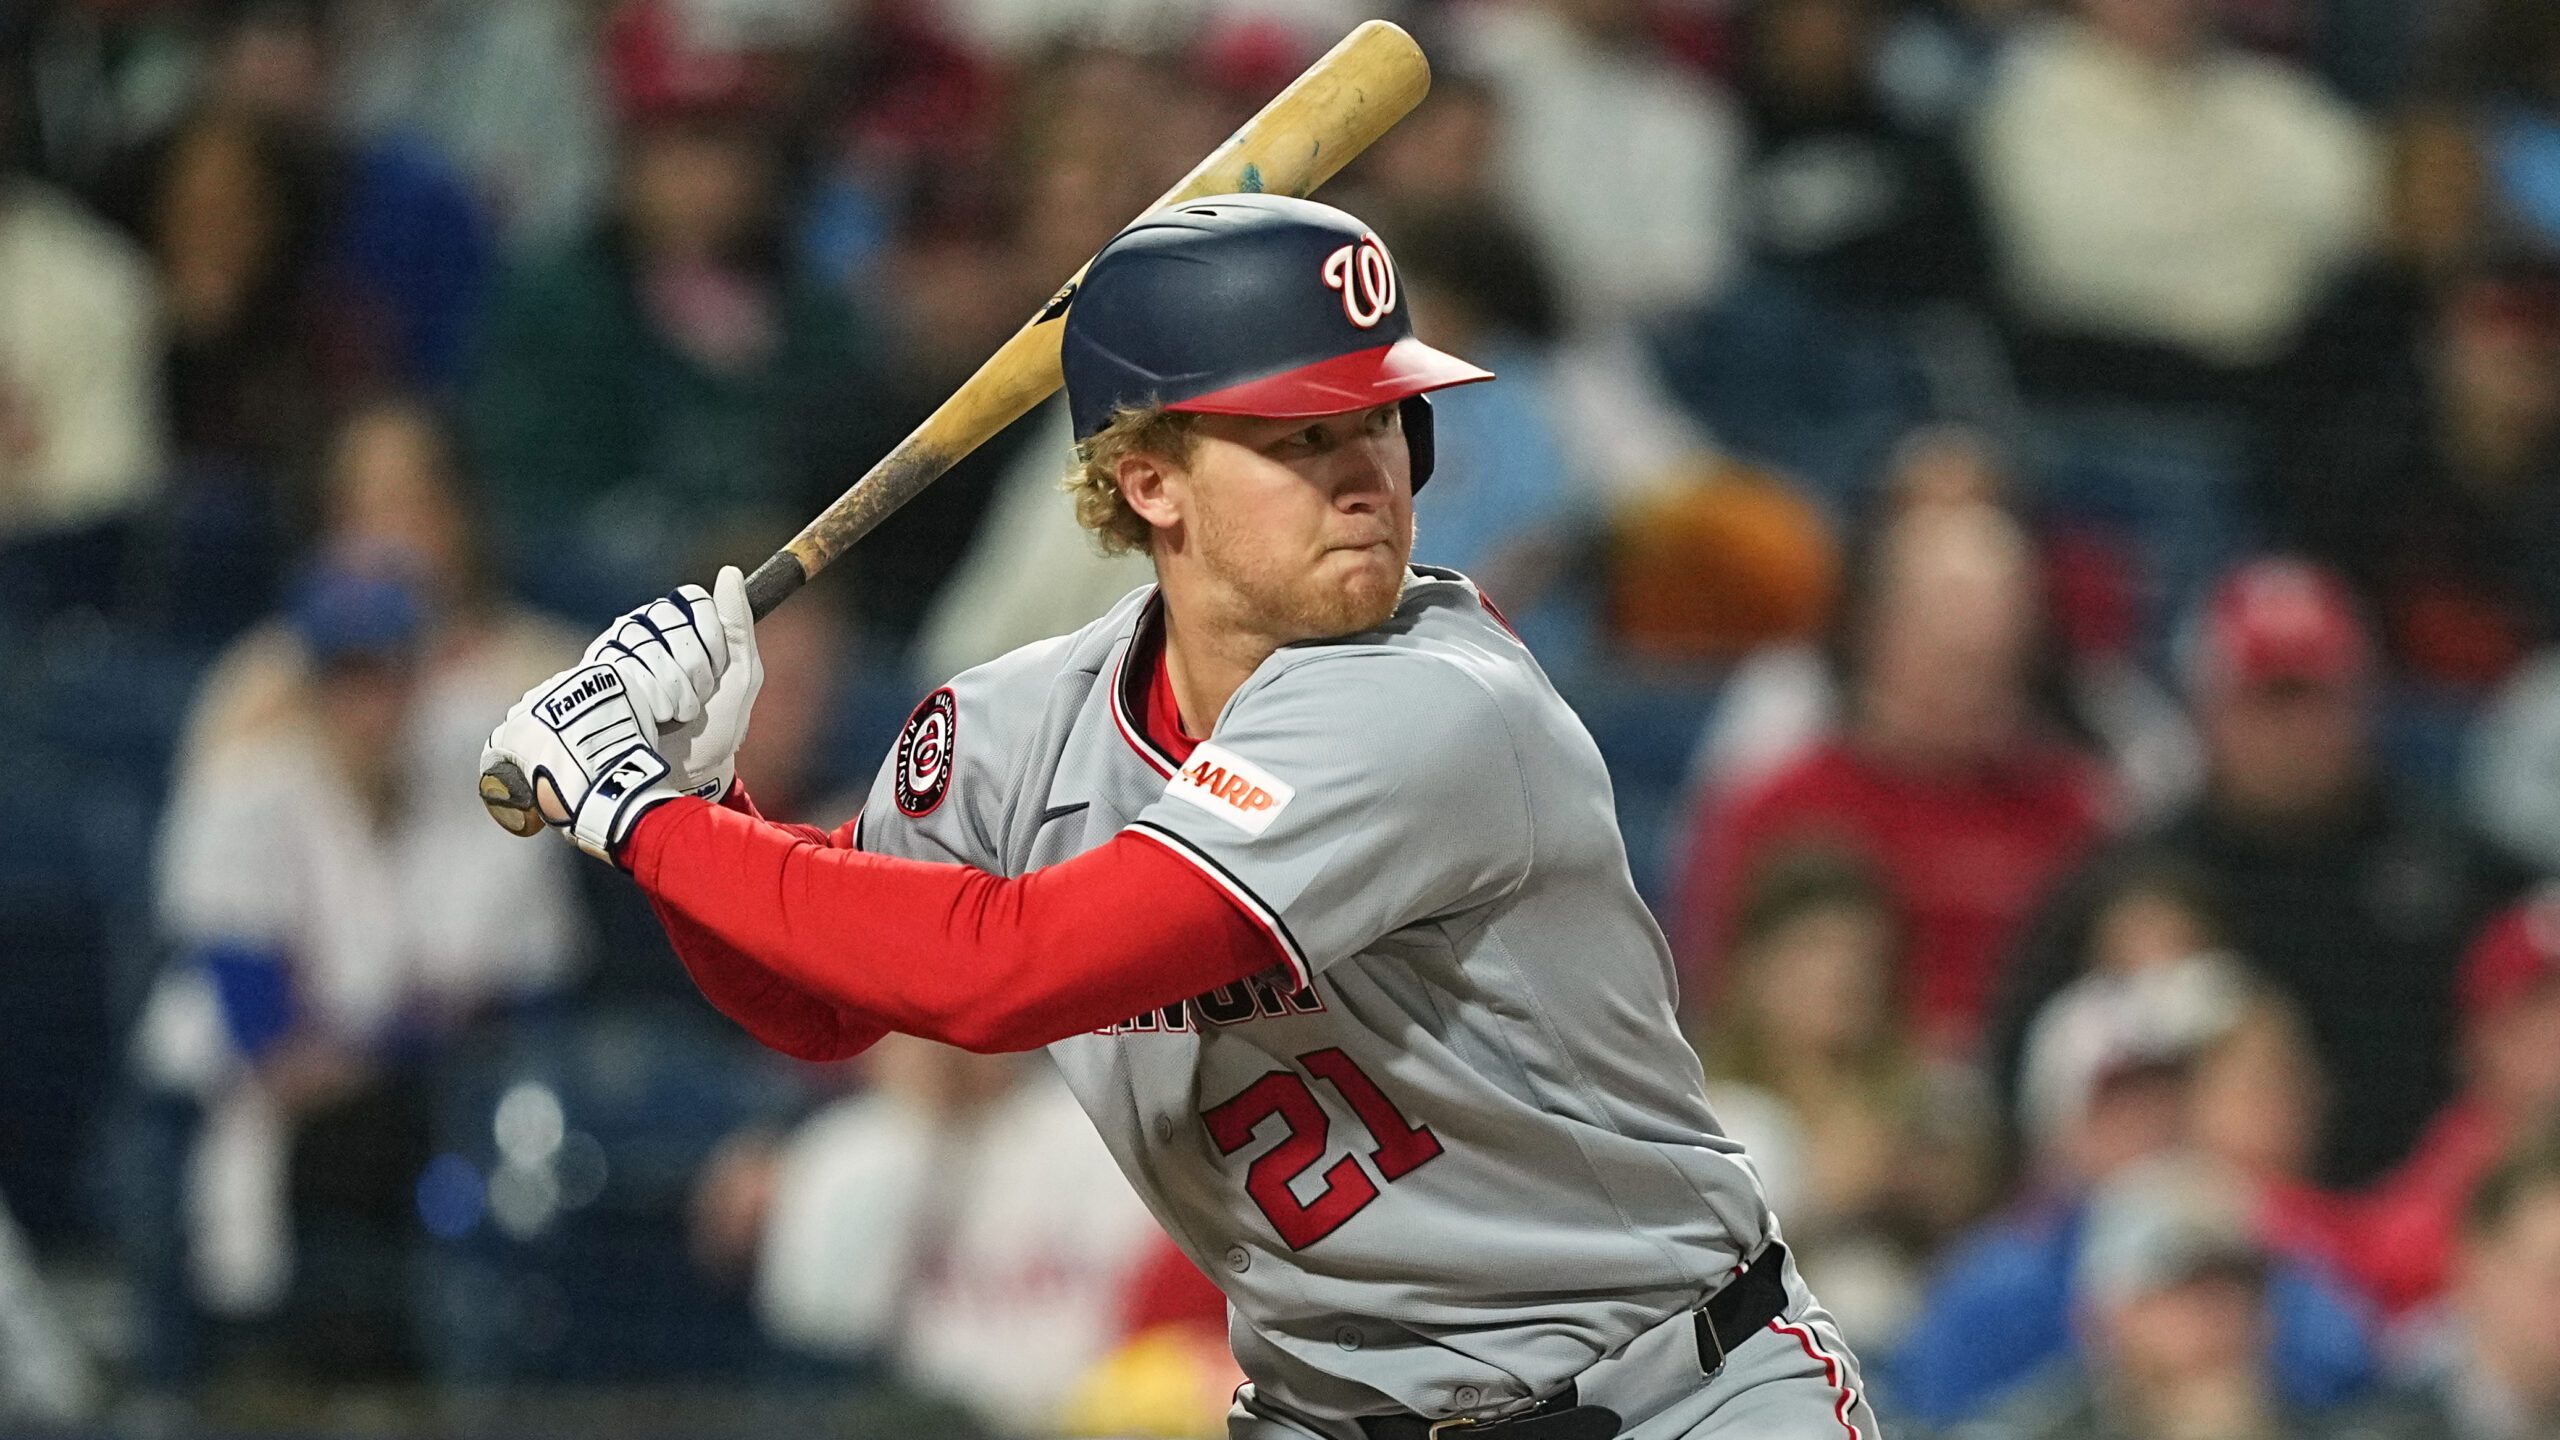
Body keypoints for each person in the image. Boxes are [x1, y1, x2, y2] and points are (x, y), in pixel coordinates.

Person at [485, 194, 1879, 1439]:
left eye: (1383, 417)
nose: (1366, 474)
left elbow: (1006, 968)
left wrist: (640, 815)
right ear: (1149, 479)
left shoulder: (1437, 705)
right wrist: (708, 809)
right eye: (1297, 435)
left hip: (1671, 1395)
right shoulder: (1025, 727)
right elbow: (820, 1006)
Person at [1990, 559, 2527, 1186]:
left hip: (2428, 1218)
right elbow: (2022, 1070)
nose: (2293, 731)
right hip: (2191, 1223)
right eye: (2266, 700)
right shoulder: (2130, 881)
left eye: (2314, 697)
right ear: (2208, 710)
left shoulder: (2460, 868)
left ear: (2365, 701)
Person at [1676, 498, 2115, 1055]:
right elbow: (1715, 1003)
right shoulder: (1780, 807)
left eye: (1997, 661)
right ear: (1877, 634)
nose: (1977, 687)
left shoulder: (2076, 815)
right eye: (1953, 659)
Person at [693, 1035, 1168, 1435]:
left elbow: (1165, 1308)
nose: (946, 1044)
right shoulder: (847, 1152)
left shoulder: (1101, 1126)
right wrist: (914, 1125)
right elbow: (826, 1332)